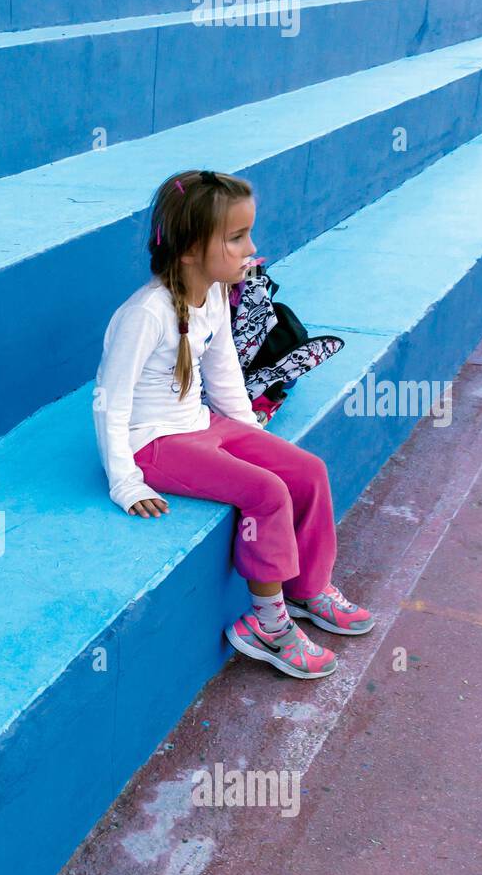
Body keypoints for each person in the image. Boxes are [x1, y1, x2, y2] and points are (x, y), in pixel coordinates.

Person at [92, 168, 374, 680]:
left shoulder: (216, 294)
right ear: (188, 251)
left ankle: (308, 588)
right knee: (266, 493)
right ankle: (266, 624)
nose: (252, 247)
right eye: (237, 237)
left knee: (306, 470)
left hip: (202, 424)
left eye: (249, 233)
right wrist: (124, 481)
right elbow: (110, 401)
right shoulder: (146, 315)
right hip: (152, 444)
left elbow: (222, 372)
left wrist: (247, 435)